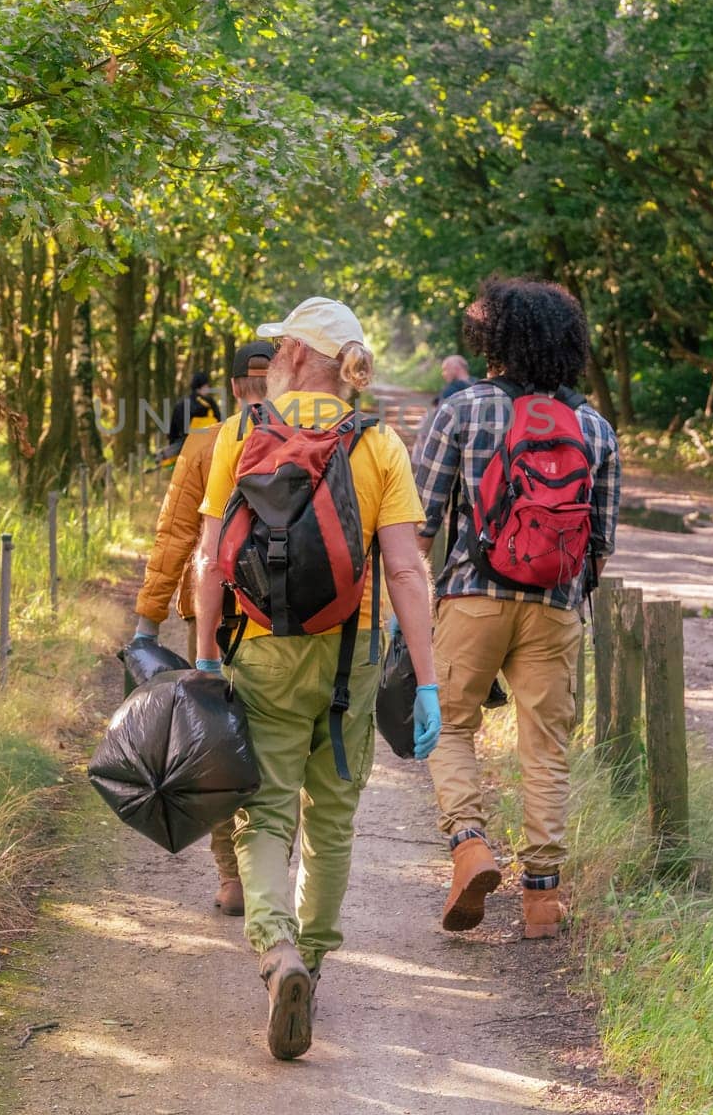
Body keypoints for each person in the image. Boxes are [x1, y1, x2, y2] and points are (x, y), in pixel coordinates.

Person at [194, 296, 441, 1062]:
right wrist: (427, 682)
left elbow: (209, 558)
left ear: (299, 355)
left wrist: (205, 654)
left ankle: (276, 956)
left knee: (264, 811)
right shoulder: (376, 443)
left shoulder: (240, 432)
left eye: (279, 350)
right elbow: (404, 567)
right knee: (330, 821)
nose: (270, 362)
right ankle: (316, 964)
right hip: (350, 656)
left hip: (259, 648)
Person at [414, 277, 620, 939]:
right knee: (545, 748)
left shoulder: (460, 410)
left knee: (448, 724)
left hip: (472, 595)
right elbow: (601, 543)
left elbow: (418, 523)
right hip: (556, 606)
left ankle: (469, 844)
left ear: (490, 339)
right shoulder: (592, 426)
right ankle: (540, 899)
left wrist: (407, 614)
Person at [134, 340, 274, 914]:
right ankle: (270, 870)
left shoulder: (204, 443)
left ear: (234, 386)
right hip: (282, 621)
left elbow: (173, 538)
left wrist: (147, 623)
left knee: (219, 745)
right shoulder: (316, 441)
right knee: (278, 750)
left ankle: (232, 875)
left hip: (213, 619)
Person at [164, 370, 222, 460]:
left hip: (185, 450)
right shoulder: (210, 404)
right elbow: (220, 424)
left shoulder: (181, 404)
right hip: (210, 450)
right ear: (204, 386)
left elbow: (173, 433)